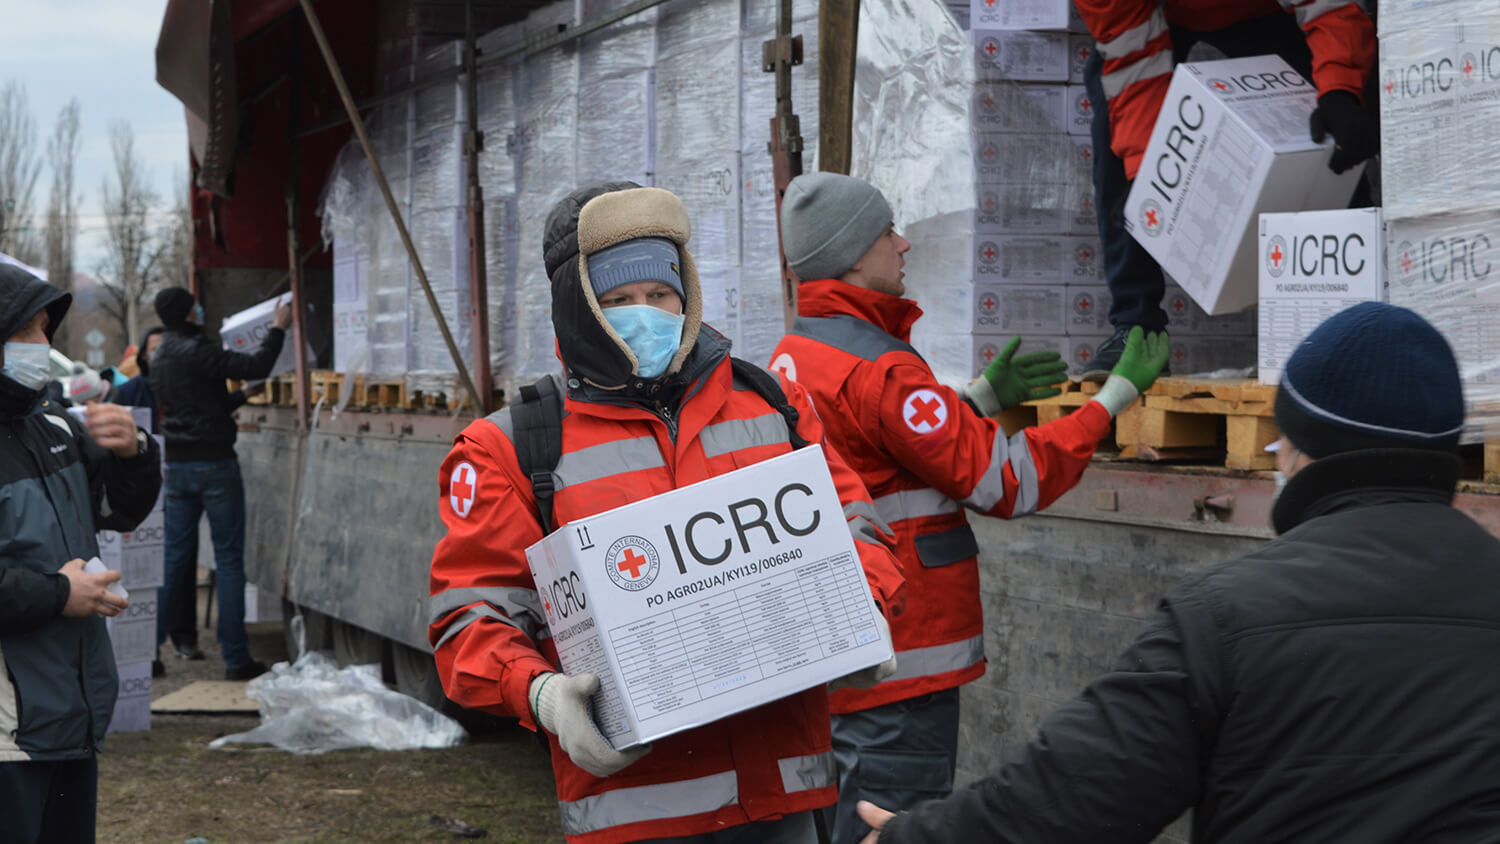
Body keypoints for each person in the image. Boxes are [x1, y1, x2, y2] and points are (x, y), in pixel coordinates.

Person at [858, 302, 1500, 843]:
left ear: (1305, 448)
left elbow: (1069, 797)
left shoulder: (1228, 616)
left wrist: (911, 837)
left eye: (1284, 434)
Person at [428, 182, 908, 844]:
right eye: (618, 301)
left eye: (660, 295)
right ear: (578, 307)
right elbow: (468, 620)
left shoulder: (771, 405)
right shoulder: (511, 446)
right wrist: (542, 696)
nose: (645, 314)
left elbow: (855, 524)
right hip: (637, 815)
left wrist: (864, 607)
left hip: (786, 807)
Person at [768, 172, 1170, 844]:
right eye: (885, 232)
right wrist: (1110, 402)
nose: (903, 244)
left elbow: (879, 451)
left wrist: (975, 402)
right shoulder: (886, 369)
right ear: (850, 256)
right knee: (892, 829)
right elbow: (1005, 481)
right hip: (904, 662)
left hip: (847, 655)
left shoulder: (797, 352)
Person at [1076, 0, 1376, 377]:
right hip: (1158, 16)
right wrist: (1149, 177)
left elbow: (1330, 7)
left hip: (1266, 9)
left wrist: (1341, 90)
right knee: (1116, 142)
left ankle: (1356, 317)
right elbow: (1134, 61)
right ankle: (1136, 330)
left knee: (1341, 130)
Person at [0, 264, 162, 843]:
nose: (42, 347)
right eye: (25, 331)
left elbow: (118, 512)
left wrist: (135, 454)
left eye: (45, 329)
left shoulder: (50, 423)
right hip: (8, 731)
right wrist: (60, 593)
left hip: (69, 713)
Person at [148, 286, 292, 681]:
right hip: (214, 464)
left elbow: (200, 404)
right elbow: (257, 362)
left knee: (173, 560)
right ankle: (235, 659)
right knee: (229, 561)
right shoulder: (200, 350)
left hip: (177, 468)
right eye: (195, 304)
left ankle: (148, 653)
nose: (200, 307)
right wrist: (278, 328)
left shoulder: (160, 355)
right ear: (188, 313)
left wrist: (242, 395)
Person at [116, 324, 206, 664]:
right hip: (142, 487)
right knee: (145, 569)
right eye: (153, 349)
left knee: (180, 563)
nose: (158, 355)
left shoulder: (185, 387)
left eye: (164, 348)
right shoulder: (128, 393)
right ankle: (146, 649)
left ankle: (184, 637)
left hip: (178, 484)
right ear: (142, 354)